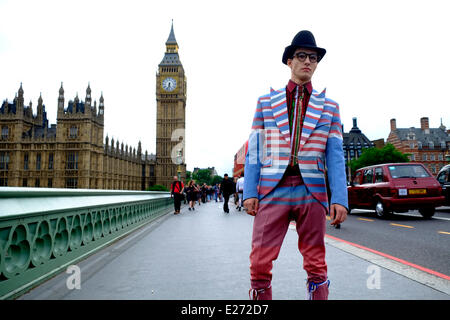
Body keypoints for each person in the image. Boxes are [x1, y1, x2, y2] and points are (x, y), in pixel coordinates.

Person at [243, 30, 348, 300]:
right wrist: (250, 192)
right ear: (289, 61)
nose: (308, 62)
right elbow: (254, 149)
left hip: (310, 190)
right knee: (259, 262)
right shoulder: (266, 103)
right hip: (272, 189)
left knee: (316, 263)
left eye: (313, 58)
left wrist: (340, 198)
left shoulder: (331, 107)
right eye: (301, 56)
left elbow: (335, 156)